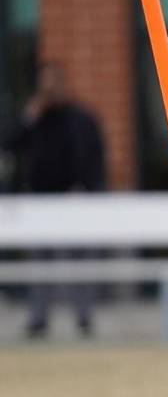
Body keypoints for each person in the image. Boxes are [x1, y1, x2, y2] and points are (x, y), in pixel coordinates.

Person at [1, 62, 105, 337]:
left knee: (78, 262)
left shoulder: (80, 118)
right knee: (40, 263)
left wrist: (88, 190)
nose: (51, 90)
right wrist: (28, 117)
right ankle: (39, 317)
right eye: (45, 84)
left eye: (55, 83)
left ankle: (83, 317)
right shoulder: (33, 119)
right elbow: (9, 144)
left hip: (73, 199)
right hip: (38, 201)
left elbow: (95, 157)